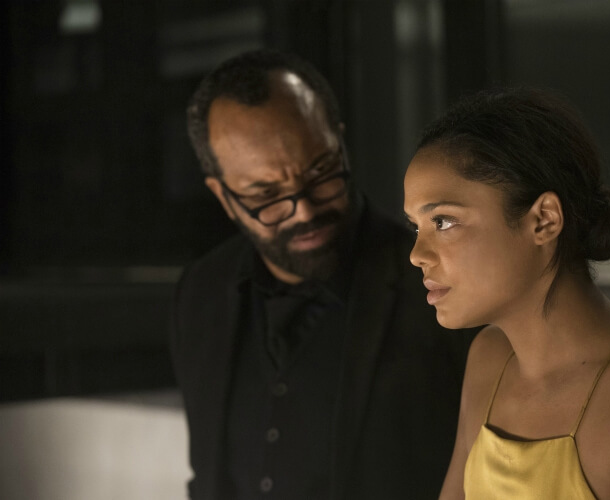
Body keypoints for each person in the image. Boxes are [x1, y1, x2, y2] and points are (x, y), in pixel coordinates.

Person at [403, 88, 610, 499]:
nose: (417, 254)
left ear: (544, 220)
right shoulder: (489, 358)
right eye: (415, 226)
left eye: (443, 221)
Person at [170, 48, 474, 500]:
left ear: (340, 144)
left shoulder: (440, 282)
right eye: (266, 195)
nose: (305, 212)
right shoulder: (200, 291)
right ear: (222, 195)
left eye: (321, 172)